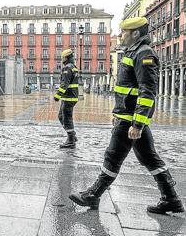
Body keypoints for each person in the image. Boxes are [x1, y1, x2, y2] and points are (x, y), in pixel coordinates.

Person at [69, 17, 185, 214]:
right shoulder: (134, 52)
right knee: (149, 159)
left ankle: (93, 195)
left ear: (135, 33)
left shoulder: (144, 54)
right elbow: (126, 89)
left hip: (131, 120)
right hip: (127, 116)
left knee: (113, 156)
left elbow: (147, 91)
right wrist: (119, 112)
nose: (121, 35)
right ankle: (171, 198)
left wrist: (137, 123)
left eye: (124, 32)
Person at [54, 49, 79, 149]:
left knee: (66, 118)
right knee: (61, 116)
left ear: (65, 58)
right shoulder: (74, 67)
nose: (62, 59)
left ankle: (70, 141)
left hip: (68, 97)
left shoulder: (67, 68)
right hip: (72, 96)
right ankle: (72, 135)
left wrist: (57, 95)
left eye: (62, 57)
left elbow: (65, 84)